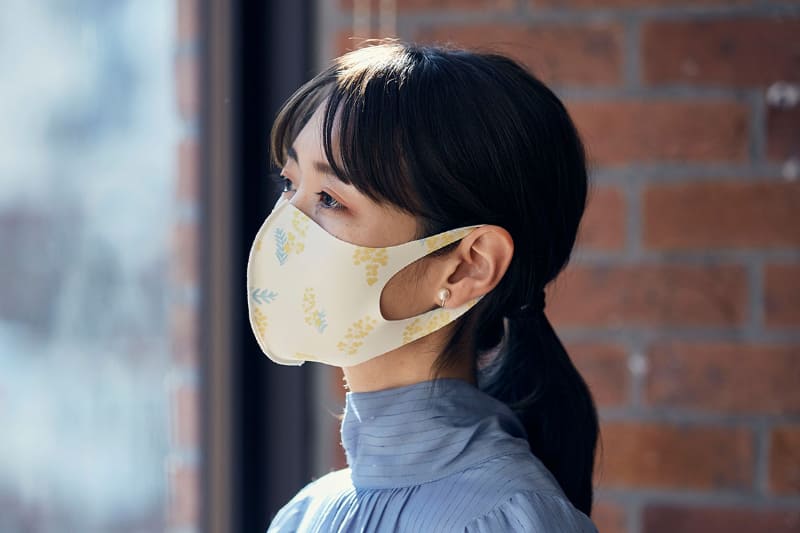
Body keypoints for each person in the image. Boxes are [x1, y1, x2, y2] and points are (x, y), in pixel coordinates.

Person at [246, 39, 600, 532]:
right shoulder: (305, 515)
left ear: (466, 267)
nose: (285, 227)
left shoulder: (505, 520)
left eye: (330, 198)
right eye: (289, 184)